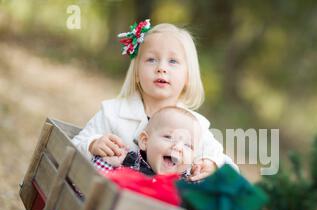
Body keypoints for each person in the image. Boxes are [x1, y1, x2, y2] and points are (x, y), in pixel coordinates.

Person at [72, 19, 236, 181]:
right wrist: (92, 144)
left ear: (187, 77)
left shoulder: (195, 126)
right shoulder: (113, 113)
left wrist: (212, 164)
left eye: (173, 61)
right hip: (110, 201)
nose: (161, 68)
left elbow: (231, 169)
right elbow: (73, 145)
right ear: (136, 73)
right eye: (151, 60)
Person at [93, 106, 201, 179]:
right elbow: (86, 189)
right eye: (169, 137)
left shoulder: (187, 185)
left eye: (188, 145)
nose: (178, 147)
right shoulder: (126, 163)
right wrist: (107, 163)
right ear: (145, 141)